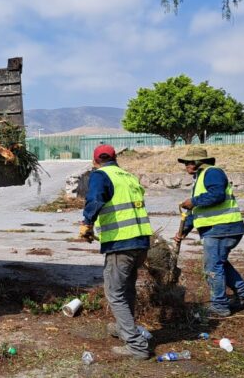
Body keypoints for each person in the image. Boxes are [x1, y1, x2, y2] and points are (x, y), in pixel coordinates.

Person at [79, 144, 153, 359]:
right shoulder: (128, 177)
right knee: (127, 289)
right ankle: (124, 329)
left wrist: (87, 222)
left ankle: (137, 346)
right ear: (115, 159)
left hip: (122, 244)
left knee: (115, 293)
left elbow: (95, 199)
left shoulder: (100, 175)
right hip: (141, 241)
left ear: (95, 161)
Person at [172, 147, 244, 317]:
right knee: (220, 262)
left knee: (213, 267)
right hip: (220, 228)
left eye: (189, 162)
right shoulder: (201, 178)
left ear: (198, 162)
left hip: (221, 228)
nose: (186, 166)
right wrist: (185, 230)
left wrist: (193, 201)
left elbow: (217, 195)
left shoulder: (212, 173)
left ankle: (219, 305)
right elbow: (197, 210)